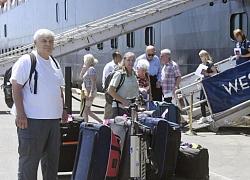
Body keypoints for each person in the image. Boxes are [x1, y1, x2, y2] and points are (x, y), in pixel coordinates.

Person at [10, 29, 68, 180]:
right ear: (35, 43)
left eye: (50, 41)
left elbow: (58, 89)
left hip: (53, 121)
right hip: (32, 120)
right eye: (44, 41)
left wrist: (64, 109)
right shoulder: (27, 61)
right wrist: (20, 114)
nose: (48, 44)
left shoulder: (55, 63)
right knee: (29, 161)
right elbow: (16, 87)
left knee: (52, 162)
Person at [108, 52, 139, 118]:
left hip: (131, 108)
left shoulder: (134, 74)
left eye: (133, 60)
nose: (131, 62)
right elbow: (110, 91)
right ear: (124, 60)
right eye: (128, 60)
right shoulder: (119, 74)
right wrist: (123, 101)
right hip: (119, 108)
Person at [196, 50, 217, 123]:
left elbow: (215, 72)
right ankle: (204, 116)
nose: (200, 58)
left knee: (206, 100)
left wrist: (208, 74)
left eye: (201, 56)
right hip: (203, 84)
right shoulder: (202, 64)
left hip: (208, 84)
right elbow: (202, 74)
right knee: (201, 101)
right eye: (200, 56)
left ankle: (214, 111)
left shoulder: (209, 64)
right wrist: (198, 78)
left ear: (205, 56)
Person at [81, 54, 103, 123]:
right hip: (87, 90)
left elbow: (93, 82)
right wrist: (83, 69)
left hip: (90, 90)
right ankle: (100, 121)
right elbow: (81, 77)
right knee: (87, 110)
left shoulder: (91, 69)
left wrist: (91, 93)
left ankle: (85, 123)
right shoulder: (88, 69)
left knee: (86, 110)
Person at [102, 51, 122, 119]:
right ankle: (106, 123)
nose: (121, 58)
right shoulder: (109, 66)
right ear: (115, 57)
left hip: (117, 90)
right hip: (109, 89)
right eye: (120, 56)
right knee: (109, 107)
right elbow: (106, 78)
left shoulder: (120, 66)